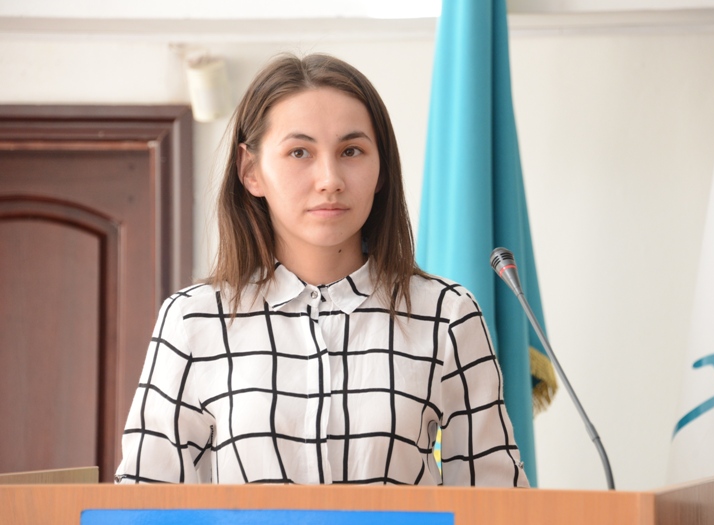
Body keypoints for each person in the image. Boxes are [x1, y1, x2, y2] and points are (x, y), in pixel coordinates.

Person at [115, 53, 528, 487]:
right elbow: (144, 498)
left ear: (381, 169)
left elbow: (497, 499)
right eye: (299, 152)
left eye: (351, 151)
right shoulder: (192, 319)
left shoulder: (447, 314)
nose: (330, 179)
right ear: (251, 170)